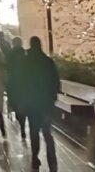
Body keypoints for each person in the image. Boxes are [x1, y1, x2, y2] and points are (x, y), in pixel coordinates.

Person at [23, 36, 61, 172]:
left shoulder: (26, 62)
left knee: (34, 132)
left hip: (32, 103)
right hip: (45, 104)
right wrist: (53, 98)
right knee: (47, 132)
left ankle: (35, 158)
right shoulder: (47, 61)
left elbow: (22, 82)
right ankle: (53, 161)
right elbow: (55, 82)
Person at [5, 36, 28, 141]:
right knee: (22, 105)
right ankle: (23, 125)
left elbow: (7, 69)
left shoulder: (10, 55)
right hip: (23, 85)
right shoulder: (25, 55)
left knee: (16, 105)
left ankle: (20, 120)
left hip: (13, 84)